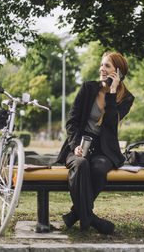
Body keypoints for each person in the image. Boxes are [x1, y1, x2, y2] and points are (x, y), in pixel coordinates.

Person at [56, 52, 134, 234]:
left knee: (99, 168)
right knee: (81, 164)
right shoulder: (87, 88)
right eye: (102, 65)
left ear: (118, 72)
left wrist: (112, 93)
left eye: (107, 66)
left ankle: (76, 214)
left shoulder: (126, 98)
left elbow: (110, 124)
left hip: (103, 150)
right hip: (77, 145)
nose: (102, 69)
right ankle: (90, 218)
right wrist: (75, 145)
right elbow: (72, 121)